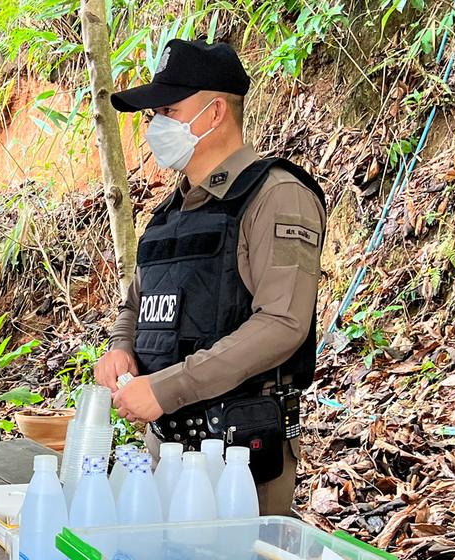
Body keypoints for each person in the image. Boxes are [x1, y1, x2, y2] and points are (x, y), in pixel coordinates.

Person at [95, 39, 327, 516]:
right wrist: (120, 348)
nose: (155, 126)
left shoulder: (276, 196)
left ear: (215, 112)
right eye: (152, 114)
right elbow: (134, 306)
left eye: (168, 110)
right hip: (166, 450)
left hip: (239, 459)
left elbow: (282, 325)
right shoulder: (167, 216)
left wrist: (165, 389)